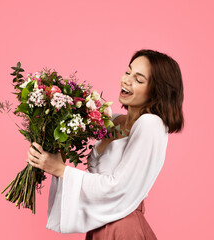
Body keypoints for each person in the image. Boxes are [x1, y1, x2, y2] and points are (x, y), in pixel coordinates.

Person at [26, 49, 184, 239]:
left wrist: (61, 170)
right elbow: (98, 181)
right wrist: (56, 152)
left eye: (139, 80)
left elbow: (120, 186)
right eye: (128, 72)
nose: (126, 80)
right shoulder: (115, 120)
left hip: (124, 228)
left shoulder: (150, 124)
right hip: (100, 226)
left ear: (157, 92)